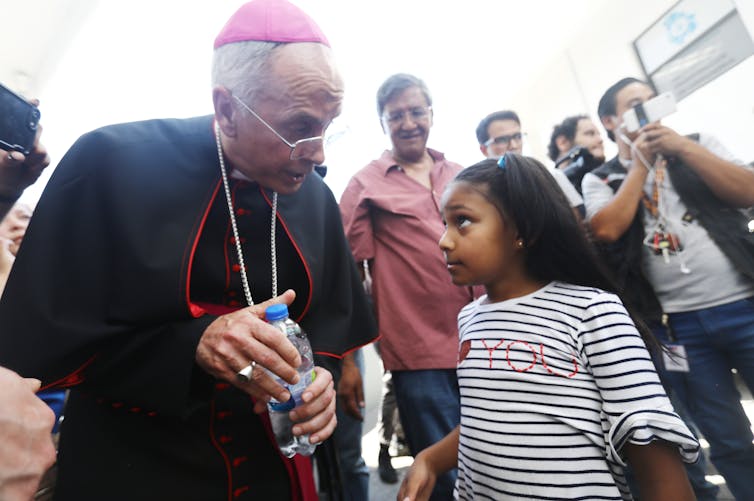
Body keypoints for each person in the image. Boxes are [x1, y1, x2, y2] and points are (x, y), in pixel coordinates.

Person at [0, 1, 377, 499]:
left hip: (269, 470)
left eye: (329, 125)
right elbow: (44, 342)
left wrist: (318, 385)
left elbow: (324, 329)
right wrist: (192, 345)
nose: (319, 151)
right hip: (137, 465)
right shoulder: (112, 163)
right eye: (300, 126)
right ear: (226, 108)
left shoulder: (315, 196)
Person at [399, 154, 699, 500]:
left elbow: (653, 453)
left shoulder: (592, 312)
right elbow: (490, 419)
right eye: (444, 224)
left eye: (462, 221)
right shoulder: (470, 318)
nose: (444, 241)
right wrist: (430, 459)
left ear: (521, 230)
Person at [582, 77, 754, 500]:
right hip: (678, 329)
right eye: (635, 105)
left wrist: (683, 149)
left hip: (744, 305)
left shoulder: (698, 144)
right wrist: (639, 163)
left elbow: (748, 190)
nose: (648, 110)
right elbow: (606, 229)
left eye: (651, 101)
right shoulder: (600, 179)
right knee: (727, 439)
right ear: (611, 121)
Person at [340, 73, 477, 500]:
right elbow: (345, 273)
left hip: (483, 337)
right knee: (441, 470)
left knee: (496, 449)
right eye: (395, 115)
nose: (408, 122)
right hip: (419, 350)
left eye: (417, 111)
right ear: (382, 123)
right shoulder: (366, 184)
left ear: (431, 114)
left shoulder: (460, 173)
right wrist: (347, 358)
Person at [476, 110, 585, 217]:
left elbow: (578, 219)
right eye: (502, 140)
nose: (513, 145)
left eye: (517, 137)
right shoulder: (480, 193)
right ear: (484, 150)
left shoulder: (552, 177)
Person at [547, 114, 605, 194]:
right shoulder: (550, 190)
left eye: (599, 134)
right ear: (562, 142)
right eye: (590, 133)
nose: (600, 140)